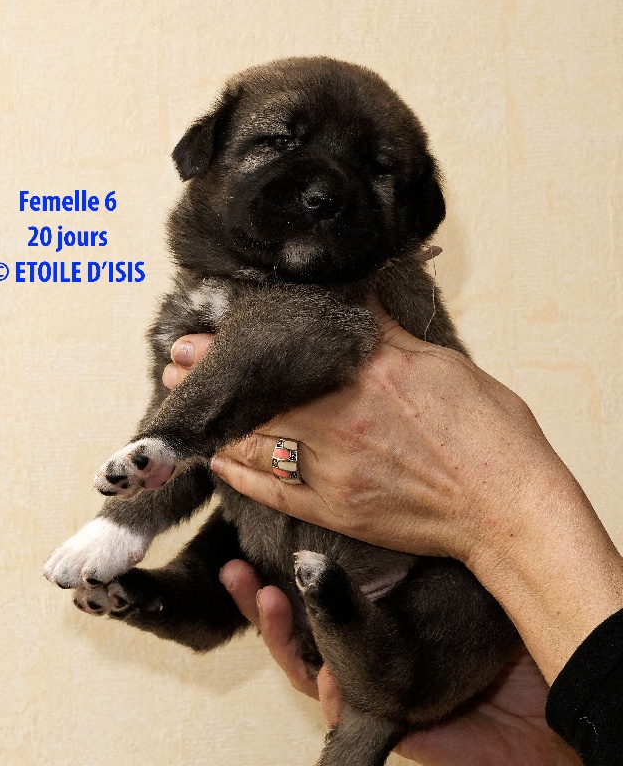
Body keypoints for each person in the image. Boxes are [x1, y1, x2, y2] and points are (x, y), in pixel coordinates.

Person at [161, 303, 623, 766]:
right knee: (242, 530)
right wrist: (567, 730)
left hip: (407, 648)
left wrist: (494, 512)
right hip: (400, 646)